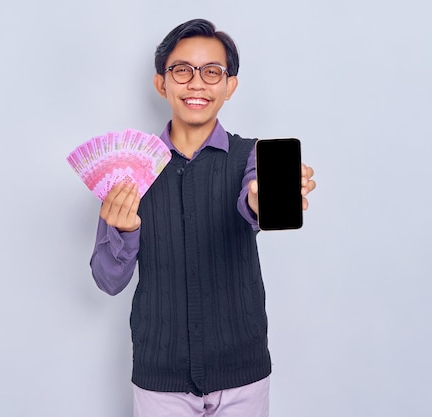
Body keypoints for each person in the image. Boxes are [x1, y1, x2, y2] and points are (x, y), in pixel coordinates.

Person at [90, 18, 316, 417]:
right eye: (182, 70)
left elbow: (252, 202)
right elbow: (108, 280)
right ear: (162, 83)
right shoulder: (130, 170)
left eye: (212, 72)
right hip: (160, 377)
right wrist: (122, 231)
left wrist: (260, 202)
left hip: (242, 373)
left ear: (230, 86)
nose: (197, 84)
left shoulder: (251, 157)